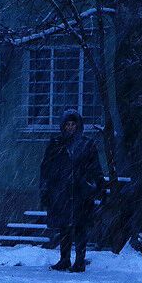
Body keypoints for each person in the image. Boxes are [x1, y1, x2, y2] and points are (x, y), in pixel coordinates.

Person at [40, 109, 103, 273]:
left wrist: (96, 185)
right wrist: (46, 190)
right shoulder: (56, 144)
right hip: (61, 192)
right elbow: (46, 168)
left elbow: (95, 167)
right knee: (64, 228)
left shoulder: (87, 144)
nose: (70, 128)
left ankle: (79, 260)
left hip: (81, 192)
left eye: (73, 124)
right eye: (67, 125)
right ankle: (65, 259)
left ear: (78, 126)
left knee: (80, 227)